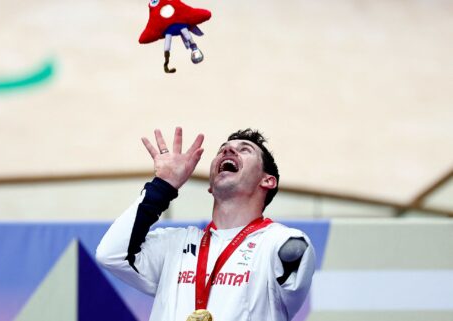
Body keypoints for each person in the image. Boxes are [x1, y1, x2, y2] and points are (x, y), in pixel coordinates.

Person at [96, 127, 316, 321]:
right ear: (210, 186)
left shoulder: (279, 242)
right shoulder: (174, 244)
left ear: (267, 180)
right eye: (222, 149)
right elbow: (111, 254)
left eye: (245, 149)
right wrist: (163, 185)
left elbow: (294, 266)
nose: (228, 151)